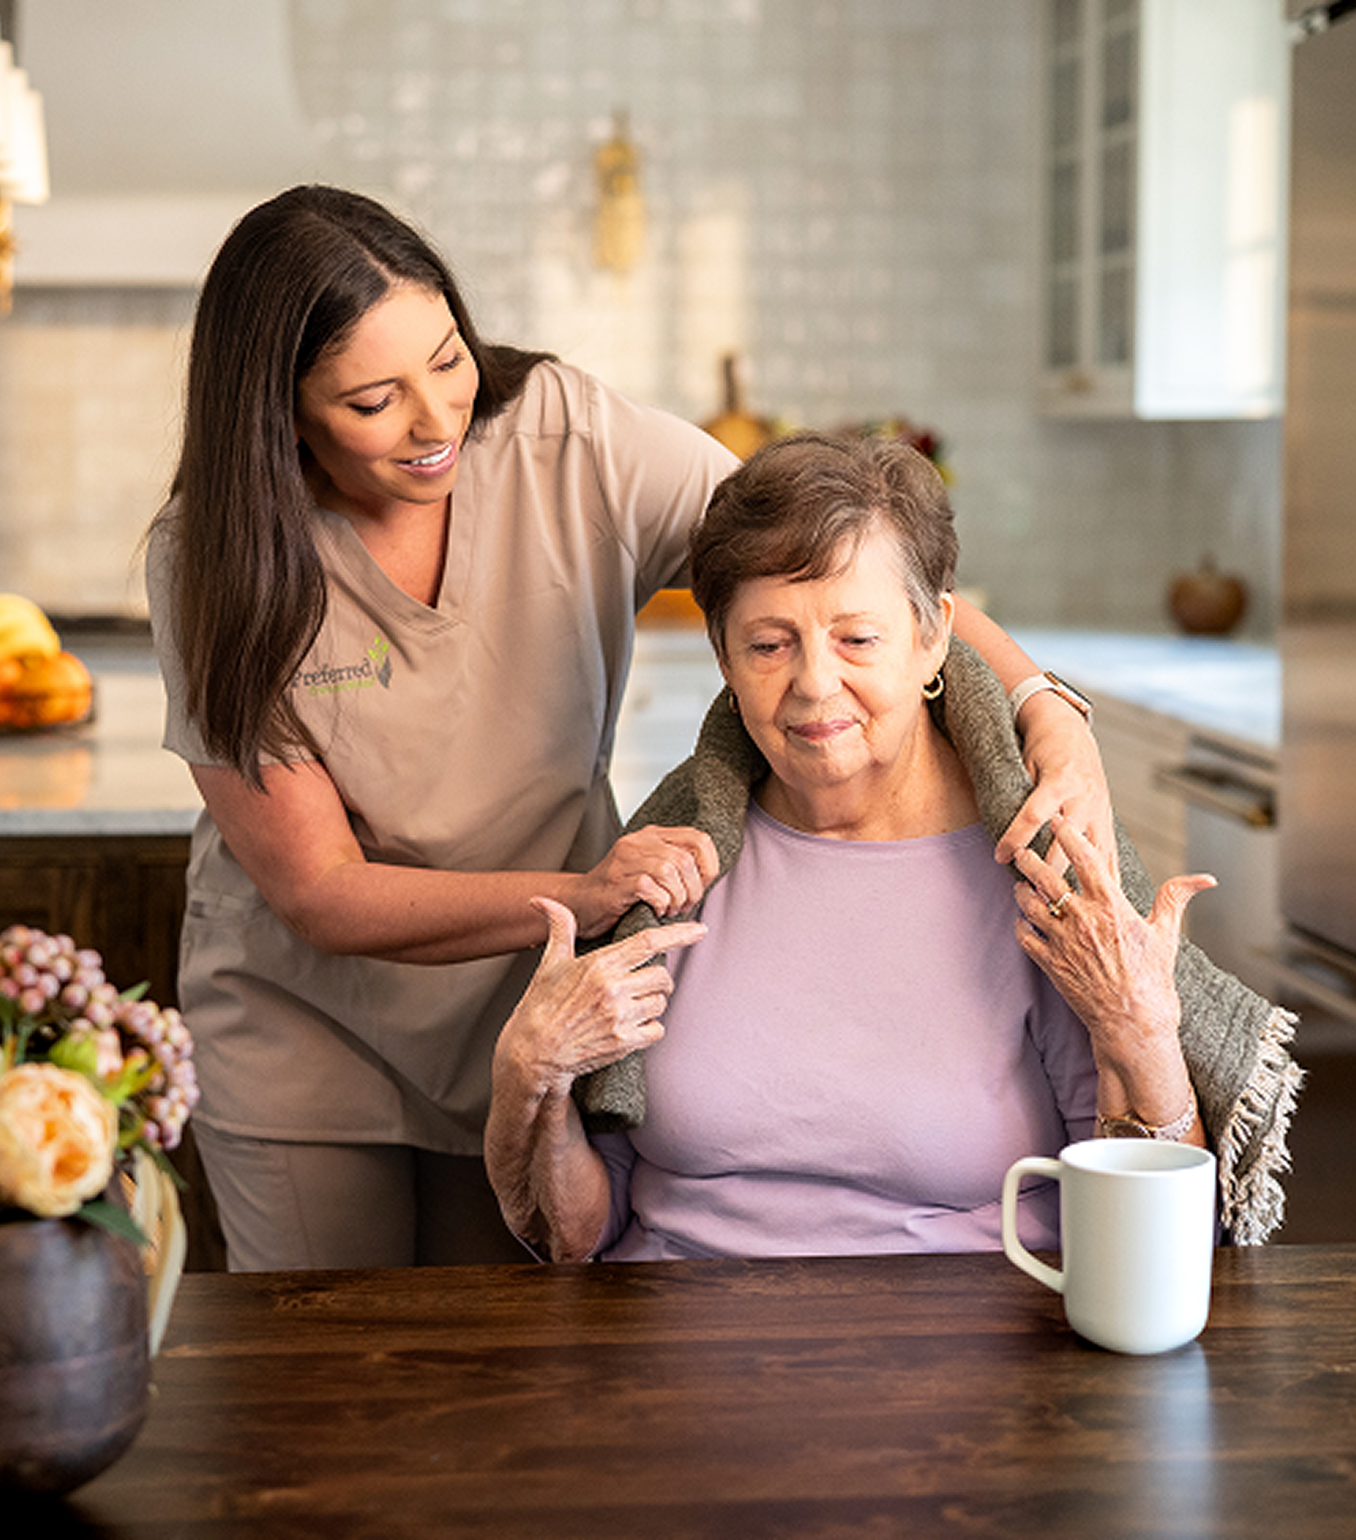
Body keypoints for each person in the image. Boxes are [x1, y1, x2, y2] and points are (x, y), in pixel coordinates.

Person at [147, 185, 1119, 1271]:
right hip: (306, 1030)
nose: (436, 420)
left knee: (503, 1380)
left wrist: (1049, 713)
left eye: (450, 358)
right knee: (329, 1383)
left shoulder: (573, 442)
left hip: (531, 1001)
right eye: (375, 400)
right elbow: (318, 887)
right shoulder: (216, 556)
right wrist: (589, 893)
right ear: (280, 411)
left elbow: (837, 565)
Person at [486, 431, 1303, 1263]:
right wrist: (529, 1078)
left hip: (963, 1360)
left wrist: (1143, 1035)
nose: (812, 682)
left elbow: (1162, 1250)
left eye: (858, 639)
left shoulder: (1035, 865)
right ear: (724, 660)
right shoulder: (674, 867)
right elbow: (579, 1237)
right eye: (769, 644)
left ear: (934, 636)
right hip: (668, 1352)